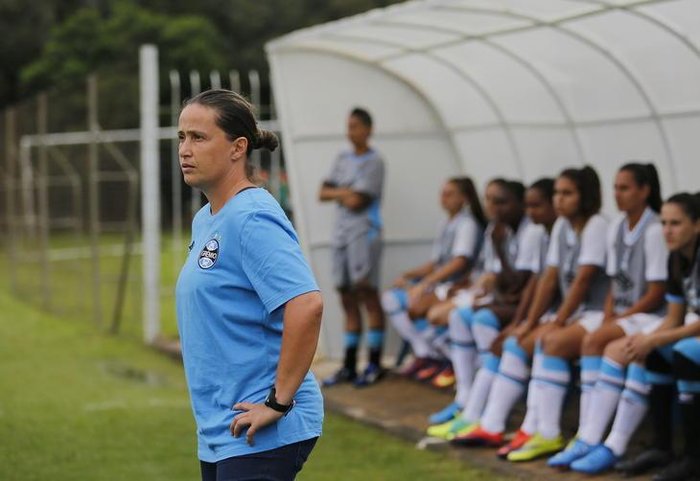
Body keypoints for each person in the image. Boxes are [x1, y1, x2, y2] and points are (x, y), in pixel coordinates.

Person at [175, 89, 323, 481]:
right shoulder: (207, 217)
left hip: (262, 426)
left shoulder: (252, 216)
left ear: (238, 147)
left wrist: (278, 403)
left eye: (199, 138)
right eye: (182, 137)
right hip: (222, 428)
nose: (185, 150)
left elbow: (306, 304)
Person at [544, 163, 667, 472]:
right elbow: (615, 283)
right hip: (630, 314)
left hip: (652, 315)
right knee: (594, 341)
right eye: (615, 187)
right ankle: (588, 437)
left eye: (625, 188)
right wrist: (612, 317)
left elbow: (656, 293)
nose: (618, 195)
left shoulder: (654, 230)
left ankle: (600, 439)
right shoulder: (617, 227)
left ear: (645, 190)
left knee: (605, 343)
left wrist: (619, 319)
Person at [428, 178, 555, 440]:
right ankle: (467, 402)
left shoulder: (530, 231)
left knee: (488, 328)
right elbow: (498, 279)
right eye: (489, 200)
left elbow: (523, 283)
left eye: (501, 201)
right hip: (514, 304)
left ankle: (484, 416)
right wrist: (479, 293)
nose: (494, 207)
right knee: (461, 317)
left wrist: (518, 320)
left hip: (530, 308)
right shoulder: (499, 230)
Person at [505, 166, 610, 462]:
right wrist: (530, 322)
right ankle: (532, 426)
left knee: (549, 341)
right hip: (577, 314)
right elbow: (549, 279)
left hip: (598, 313)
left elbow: (583, 280)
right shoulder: (563, 226)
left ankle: (554, 432)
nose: (559, 200)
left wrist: (558, 323)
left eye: (567, 193)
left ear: (585, 196)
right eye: (557, 193)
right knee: (523, 341)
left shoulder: (597, 226)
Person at [617, 192, 700, 481]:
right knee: (653, 351)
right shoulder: (676, 259)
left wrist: (655, 338)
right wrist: (645, 339)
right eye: (664, 223)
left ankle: (693, 458)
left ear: (698, 224)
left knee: (685, 352)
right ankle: (662, 448)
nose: (666, 230)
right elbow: (675, 317)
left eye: (675, 223)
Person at [382, 176, 486, 386]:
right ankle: (427, 355)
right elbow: (437, 262)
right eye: (442, 193)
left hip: (459, 288)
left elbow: (459, 262)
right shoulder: (446, 223)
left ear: (464, 198)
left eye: (449, 194)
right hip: (442, 286)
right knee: (391, 298)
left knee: (420, 306)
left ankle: (450, 360)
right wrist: (409, 275)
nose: (443, 199)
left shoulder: (468, 224)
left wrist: (425, 283)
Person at [320, 108, 386, 387]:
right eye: (348, 126)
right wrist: (345, 192)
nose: (351, 132)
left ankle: (373, 362)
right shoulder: (342, 157)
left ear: (369, 129)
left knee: (366, 292)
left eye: (356, 126)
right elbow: (323, 192)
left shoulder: (374, 161)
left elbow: (359, 201)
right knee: (345, 295)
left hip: (363, 232)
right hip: (341, 234)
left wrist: (342, 192)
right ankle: (349, 364)